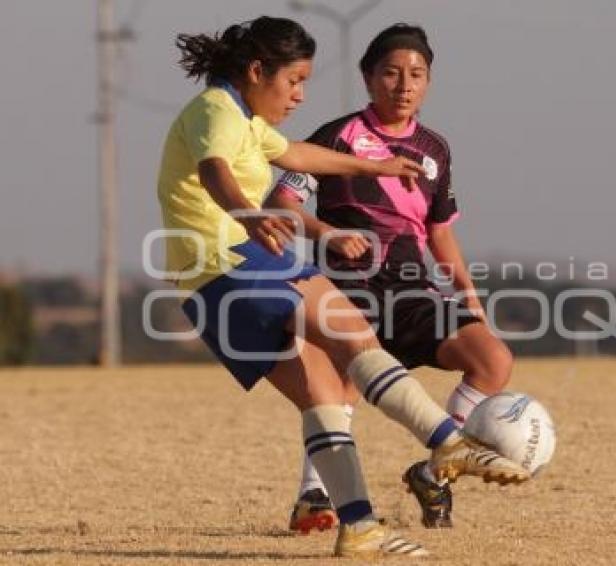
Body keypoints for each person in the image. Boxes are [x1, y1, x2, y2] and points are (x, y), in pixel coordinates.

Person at [157, 17, 528, 559]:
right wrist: (250, 215)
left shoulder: (245, 118)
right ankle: (449, 444)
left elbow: (300, 156)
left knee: (323, 397)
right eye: (294, 81)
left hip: (206, 290)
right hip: (239, 258)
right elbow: (215, 171)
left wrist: (373, 166)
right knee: (355, 335)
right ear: (258, 71)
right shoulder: (217, 110)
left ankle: (356, 527)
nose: (300, 95)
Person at [264, 23, 516, 532]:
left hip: (411, 291)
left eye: (416, 75)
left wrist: (469, 295)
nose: (404, 85)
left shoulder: (435, 151)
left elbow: (439, 234)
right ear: (368, 77)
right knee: (334, 388)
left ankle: (433, 474)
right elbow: (279, 204)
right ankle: (315, 497)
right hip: (346, 289)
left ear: (429, 82)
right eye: (392, 73)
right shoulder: (336, 138)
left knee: (492, 358)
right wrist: (328, 233)